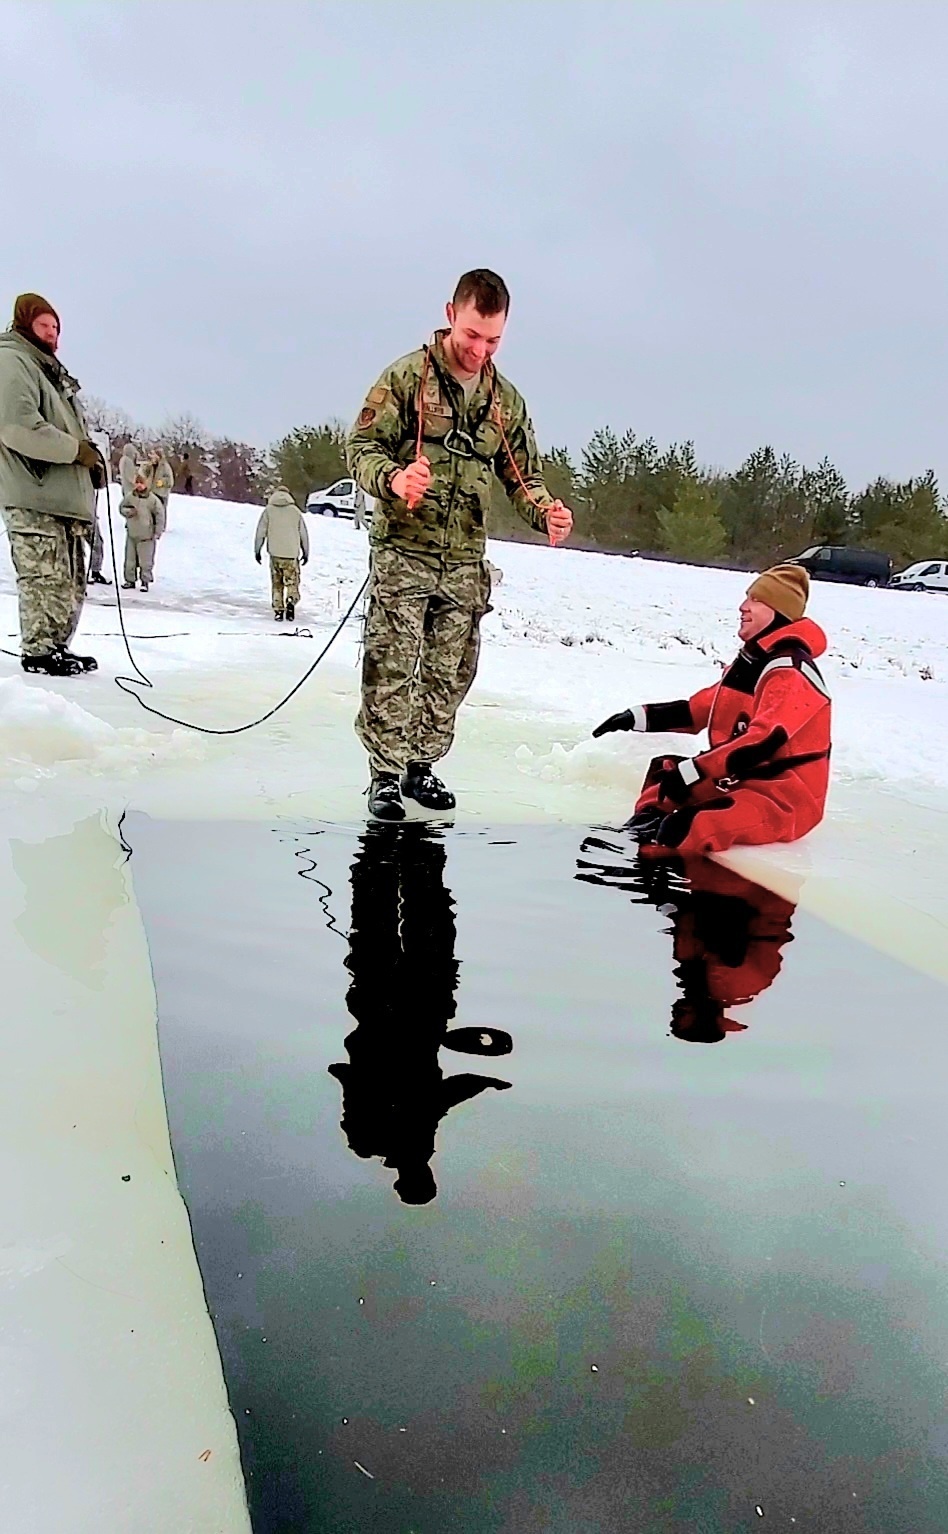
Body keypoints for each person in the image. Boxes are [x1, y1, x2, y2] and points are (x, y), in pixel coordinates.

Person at [347, 268, 574, 821]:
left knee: (450, 670)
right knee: (392, 665)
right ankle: (383, 774)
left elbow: (522, 475)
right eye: (472, 335)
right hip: (404, 551)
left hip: (465, 559)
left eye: (493, 340)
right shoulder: (405, 379)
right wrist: (394, 479)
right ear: (451, 315)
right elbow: (360, 446)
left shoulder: (504, 401)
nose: (479, 350)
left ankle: (421, 765)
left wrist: (547, 511)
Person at [328, 823, 513, 1205]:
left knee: (409, 930)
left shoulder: (379, 1142)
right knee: (381, 930)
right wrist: (483, 1082)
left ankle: (410, 850)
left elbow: (434, 1101)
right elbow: (435, 1100)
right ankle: (394, 852)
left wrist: (483, 1082)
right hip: (395, 1019)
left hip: (410, 1020)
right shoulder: (371, 1142)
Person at [593, 564, 831, 856]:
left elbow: (761, 742)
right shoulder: (753, 663)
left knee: (690, 826)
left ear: (779, 610)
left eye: (756, 600)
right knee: (664, 773)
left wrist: (694, 771)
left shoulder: (791, 671)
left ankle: (650, 878)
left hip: (782, 798)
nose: (743, 607)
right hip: (741, 780)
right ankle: (634, 837)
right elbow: (697, 710)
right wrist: (634, 717)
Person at [576, 843, 796, 1042]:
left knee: (653, 858)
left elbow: (688, 922)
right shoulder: (731, 983)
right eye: (681, 1015)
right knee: (657, 855)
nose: (675, 1009)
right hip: (758, 894)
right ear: (702, 1019)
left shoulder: (695, 977)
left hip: (725, 898)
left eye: (675, 1015)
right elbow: (731, 916)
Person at [0, 292, 105, 676]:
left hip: (61, 497)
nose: (52, 334)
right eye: (44, 326)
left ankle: (56, 646)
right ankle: (39, 651)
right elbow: (19, 428)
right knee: (43, 577)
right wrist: (75, 452)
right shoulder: (12, 362)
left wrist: (88, 464)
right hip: (35, 493)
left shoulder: (46, 369)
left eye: (56, 327)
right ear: (25, 324)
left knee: (69, 579)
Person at [254, 484, 309, 621]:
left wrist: (257, 550)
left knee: (277, 583)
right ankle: (291, 601)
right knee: (292, 582)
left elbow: (260, 532)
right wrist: (305, 552)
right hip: (291, 555)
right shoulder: (295, 511)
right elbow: (303, 534)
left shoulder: (269, 511)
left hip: (275, 554)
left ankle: (278, 610)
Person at [120, 472, 165, 591]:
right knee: (130, 560)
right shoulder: (130, 497)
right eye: (137, 483)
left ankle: (145, 581)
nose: (139, 485)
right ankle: (130, 580)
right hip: (132, 534)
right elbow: (122, 507)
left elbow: (160, 516)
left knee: (145, 561)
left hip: (147, 536)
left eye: (141, 483)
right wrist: (128, 512)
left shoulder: (153, 500)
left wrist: (157, 531)